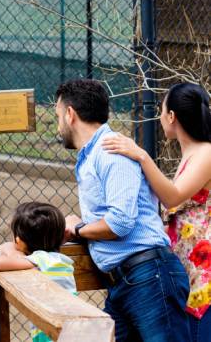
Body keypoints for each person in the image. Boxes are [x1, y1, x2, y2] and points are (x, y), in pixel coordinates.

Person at [55, 78, 192, 342]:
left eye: (59, 116)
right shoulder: (93, 155)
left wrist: (80, 229)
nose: (59, 126)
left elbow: (119, 223)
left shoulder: (110, 152)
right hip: (124, 282)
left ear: (70, 115)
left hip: (148, 278)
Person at [102, 82, 211, 342]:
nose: (160, 117)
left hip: (204, 276)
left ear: (172, 116)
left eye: (161, 110)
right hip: (187, 272)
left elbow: (172, 196)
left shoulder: (206, 153)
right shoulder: (191, 155)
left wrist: (141, 156)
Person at [0, 201, 77, 342]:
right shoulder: (59, 260)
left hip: (51, 327)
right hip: (70, 326)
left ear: (19, 241)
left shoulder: (40, 260)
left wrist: (8, 248)